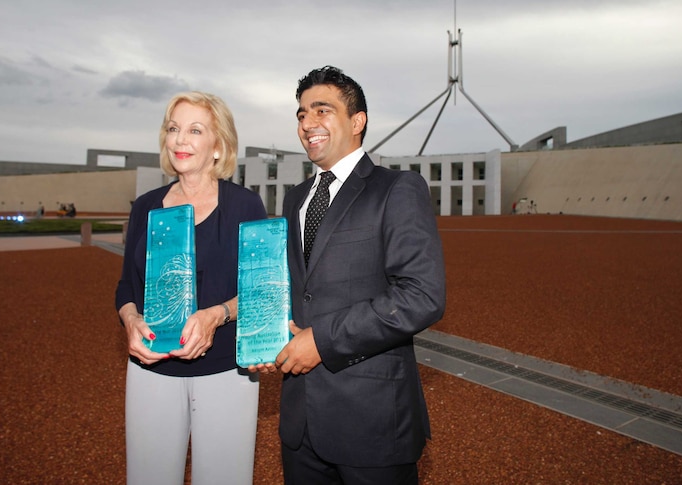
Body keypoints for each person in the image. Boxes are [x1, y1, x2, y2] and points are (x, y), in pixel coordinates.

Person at [250, 66, 446, 484]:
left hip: (372, 420)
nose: (307, 124)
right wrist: (266, 337)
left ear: (358, 122)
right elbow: (296, 288)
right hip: (300, 423)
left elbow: (421, 295)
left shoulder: (397, 188)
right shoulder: (296, 198)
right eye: (301, 114)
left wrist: (321, 341)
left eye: (322, 110)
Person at [115, 91, 267, 484]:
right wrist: (130, 320)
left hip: (225, 371)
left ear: (218, 145)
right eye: (174, 128)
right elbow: (126, 286)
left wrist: (217, 315)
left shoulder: (246, 207)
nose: (181, 140)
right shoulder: (145, 207)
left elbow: (261, 290)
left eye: (195, 130)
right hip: (151, 367)